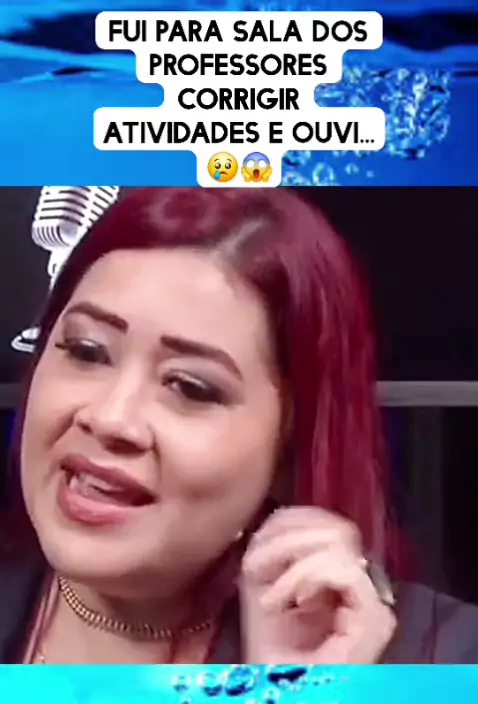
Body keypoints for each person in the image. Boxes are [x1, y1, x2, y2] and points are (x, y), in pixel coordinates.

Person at [0, 187, 476, 665]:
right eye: (86, 352)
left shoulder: (446, 659)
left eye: (190, 387)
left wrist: (297, 701)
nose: (110, 418)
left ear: (289, 447)